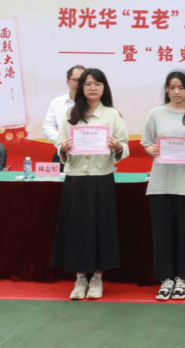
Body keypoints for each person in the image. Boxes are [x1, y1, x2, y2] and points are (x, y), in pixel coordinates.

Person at [51, 68, 129, 301]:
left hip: (101, 177)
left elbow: (125, 146)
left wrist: (117, 146)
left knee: (101, 228)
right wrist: (63, 149)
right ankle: (79, 278)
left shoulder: (112, 115)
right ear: (81, 88)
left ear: (104, 88)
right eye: (88, 84)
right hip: (75, 178)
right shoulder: (70, 114)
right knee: (76, 229)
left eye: (97, 84)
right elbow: (60, 145)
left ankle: (96, 277)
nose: (93, 88)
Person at [142, 70, 185, 301]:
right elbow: (146, 142)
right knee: (162, 234)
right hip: (160, 184)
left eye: (181, 87)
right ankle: (166, 279)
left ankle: (183, 279)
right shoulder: (156, 114)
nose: (176, 92)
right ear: (166, 89)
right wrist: (151, 149)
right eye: (172, 87)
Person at [43, 65, 86, 165]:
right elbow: (48, 127)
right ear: (68, 82)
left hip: (90, 157)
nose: (80, 84)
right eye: (76, 80)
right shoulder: (57, 103)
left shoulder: (95, 104)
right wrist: (62, 140)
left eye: (83, 80)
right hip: (64, 153)